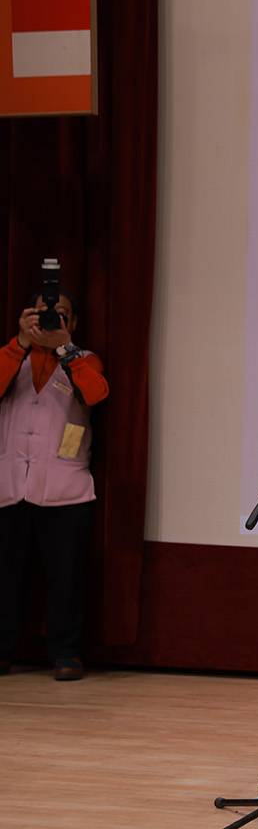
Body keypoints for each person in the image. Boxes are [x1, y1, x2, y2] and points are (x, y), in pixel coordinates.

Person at [0, 287, 109, 681]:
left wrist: (64, 348)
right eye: (42, 312)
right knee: (5, 575)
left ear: (73, 322)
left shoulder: (85, 358)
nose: (49, 318)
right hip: (10, 484)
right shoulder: (13, 356)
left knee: (66, 577)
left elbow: (96, 393)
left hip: (66, 488)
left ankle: (66, 653)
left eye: (59, 313)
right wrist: (20, 342)